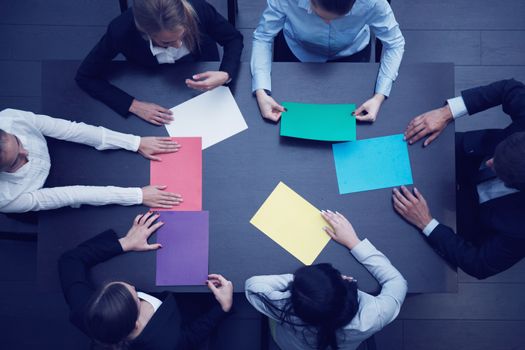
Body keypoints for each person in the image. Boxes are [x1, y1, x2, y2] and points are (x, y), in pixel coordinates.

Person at [393, 79, 525, 279]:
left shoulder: (520, 230)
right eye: (495, 156)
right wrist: (446, 113)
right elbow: (509, 88)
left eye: (497, 170)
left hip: (469, 214)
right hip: (466, 152)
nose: (488, 163)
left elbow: (479, 265)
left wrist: (426, 223)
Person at [59, 211, 234, 349]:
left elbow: (70, 261)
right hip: (188, 306)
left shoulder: (84, 310)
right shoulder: (165, 344)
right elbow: (190, 337)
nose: (133, 286)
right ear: (136, 325)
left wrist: (125, 243)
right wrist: (222, 308)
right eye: (135, 294)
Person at [245, 210, 407, 350]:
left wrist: (298, 283)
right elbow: (397, 282)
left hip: (289, 344)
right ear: (345, 281)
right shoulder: (374, 316)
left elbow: (252, 285)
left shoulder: (280, 305)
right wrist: (354, 242)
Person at [76, 0, 243, 125]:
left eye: (182, 35)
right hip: (151, 85)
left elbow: (233, 38)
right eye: (167, 42)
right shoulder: (121, 31)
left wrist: (226, 73)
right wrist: (133, 105)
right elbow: (85, 75)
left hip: (202, 69)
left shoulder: (198, 9)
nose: (178, 45)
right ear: (145, 32)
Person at [0, 108, 182, 213]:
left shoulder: (11, 119)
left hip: (60, 147)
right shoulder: (5, 198)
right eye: (16, 160)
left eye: (18, 141)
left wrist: (135, 142)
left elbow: (70, 130)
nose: (26, 151)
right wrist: (138, 195)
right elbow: (71, 195)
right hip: (41, 190)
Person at [251, 0, 405, 123]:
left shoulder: (373, 2)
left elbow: (395, 44)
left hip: (352, 55)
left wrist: (379, 96)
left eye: (339, 18)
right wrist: (261, 90)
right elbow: (263, 36)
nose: (328, 23)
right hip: (296, 52)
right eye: (320, 16)